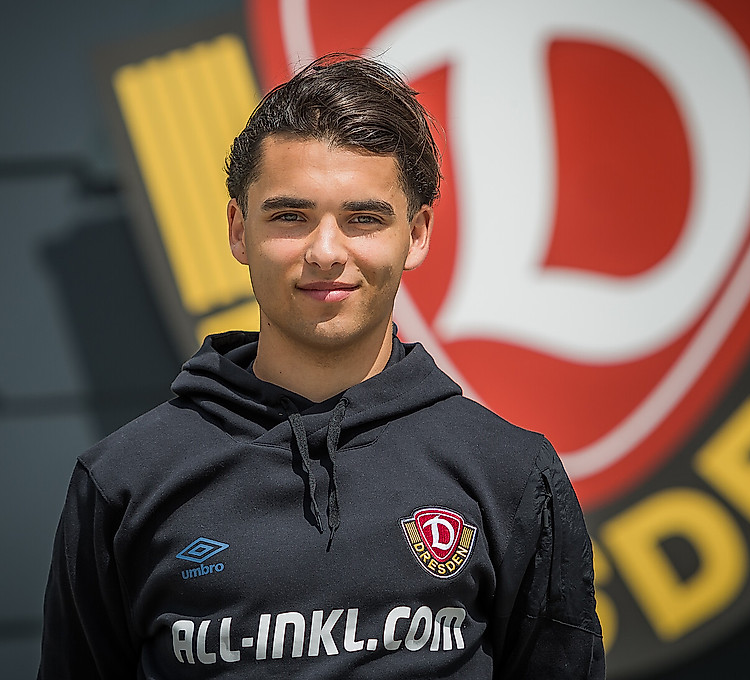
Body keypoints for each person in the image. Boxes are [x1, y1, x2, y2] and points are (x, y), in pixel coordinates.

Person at [38, 53, 604, 679]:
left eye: (364, 219)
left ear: (416, 234)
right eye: (291, 216)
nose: (326, 251)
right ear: (238, 229)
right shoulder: (123, 482)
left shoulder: (510, 475)